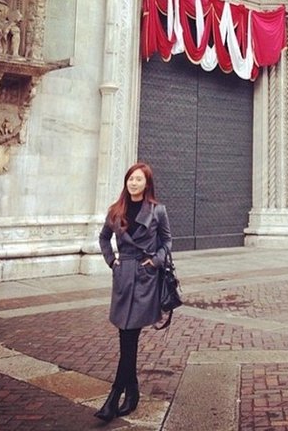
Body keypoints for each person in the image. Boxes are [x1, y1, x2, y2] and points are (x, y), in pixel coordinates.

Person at [95, 162, 172, 422]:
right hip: (123, 277)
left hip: (145, 278)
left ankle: (114, 396)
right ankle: (133, 391)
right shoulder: (116, 210)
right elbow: (104, 238)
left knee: (130, 335)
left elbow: (167, 241)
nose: (133, 183)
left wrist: (155, 261)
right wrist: (112, 261)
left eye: (138, 179)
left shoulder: (158, 211)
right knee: (126, 337)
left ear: (147, 183)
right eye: (130, 179)